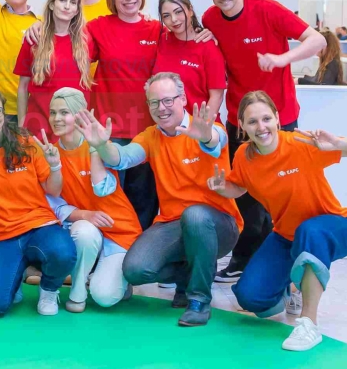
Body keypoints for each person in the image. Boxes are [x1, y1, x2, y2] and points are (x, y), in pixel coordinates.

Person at [26, 0, 213, 230]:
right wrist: (39, 26)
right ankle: (111, 246)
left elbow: (185, 41)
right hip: (108, 130)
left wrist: (206, 34)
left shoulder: (157, 30)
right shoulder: (98, 27)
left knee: (144, 200)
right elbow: (66, 41)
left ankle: (141, 248)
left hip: (147, 130)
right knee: (108, 198)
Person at [201, 0, 327, 283]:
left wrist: (283, 58)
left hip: (279, 117)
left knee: (281, 192)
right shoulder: (210, 18)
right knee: (245, 192)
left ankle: (280, 260)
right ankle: (245, 258)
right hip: (239, 118)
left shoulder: (267, 9)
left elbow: (317, 40)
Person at [85, 72, 243, 326]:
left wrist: (205, 135)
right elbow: (122, 158)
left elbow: (214, 139)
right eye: (154, 102)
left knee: (195, 215)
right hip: (172, 223)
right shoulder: (150, 136)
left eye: (168, 100)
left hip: (218, 225)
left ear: (183, 99)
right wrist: (102, 145)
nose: (161, 108)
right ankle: (188, 276)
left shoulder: (205, 127)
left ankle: (199, 300)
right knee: (135, 269)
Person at [208, 91, 347, 351]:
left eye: (266, 118)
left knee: (310, 231)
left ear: (277, 118)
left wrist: (337, 143)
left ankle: (308, 324)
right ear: (242, 125)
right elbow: (239, 186)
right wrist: (223, 188)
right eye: (252, 121)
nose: (261, 127)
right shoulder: (243, 156)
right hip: (287, 236)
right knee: (250, 298)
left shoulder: (301, 143)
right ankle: (293, 286)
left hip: (336, 226)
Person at [0, 87, 77, 318]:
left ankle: (48, 290)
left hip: (39, 226)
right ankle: (14, 277)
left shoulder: (25, 141)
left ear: (4, 114)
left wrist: (55, 165)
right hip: (1, 236)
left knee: (63, 253)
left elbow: (53, 189)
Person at [45, 88, 142, 312]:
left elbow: (102, 189)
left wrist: (95, 148)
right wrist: (85, 215)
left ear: (80, 115)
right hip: (86, 227)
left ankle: (115, 276)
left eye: (64, 112)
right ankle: (77, 292)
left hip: (119, 231)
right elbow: (53, 203)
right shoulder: (50, 154)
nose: (57, 118)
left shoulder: (100, 145)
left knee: (104, 297)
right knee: (84, 231)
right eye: (53, 112)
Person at [14, 0, 93, 142]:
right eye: (62, 0)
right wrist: (21, 125)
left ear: (77, 10)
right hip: (39, 126)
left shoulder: (86, 41)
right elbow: (23, 86)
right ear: (51, 4)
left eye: (73, 2)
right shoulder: (34, 39)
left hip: (74, 128)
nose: (67, 6)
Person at [153, 0, 226, 119]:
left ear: (190, 10)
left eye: (178, 12)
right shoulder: (161, 40)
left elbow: (217, 96)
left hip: (200, 124)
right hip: (167, 126)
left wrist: (201, 127)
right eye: (166, 16)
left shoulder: (208, 46)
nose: (174, 20)